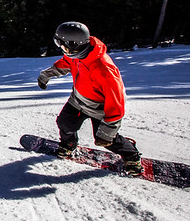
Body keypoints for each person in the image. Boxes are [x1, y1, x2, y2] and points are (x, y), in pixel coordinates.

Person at [37, 21, 143, 175]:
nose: (61, 49)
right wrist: (46, 75)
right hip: (78, 100)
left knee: (106, 140)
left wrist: (109, 128)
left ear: (75, 44)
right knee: (65, 123)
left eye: (63, 45)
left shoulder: (103, 68)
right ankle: (69, 144)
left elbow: (116, 101)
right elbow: (64, 64)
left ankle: (131, 155)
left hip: (99, 109)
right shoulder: (75, 54)